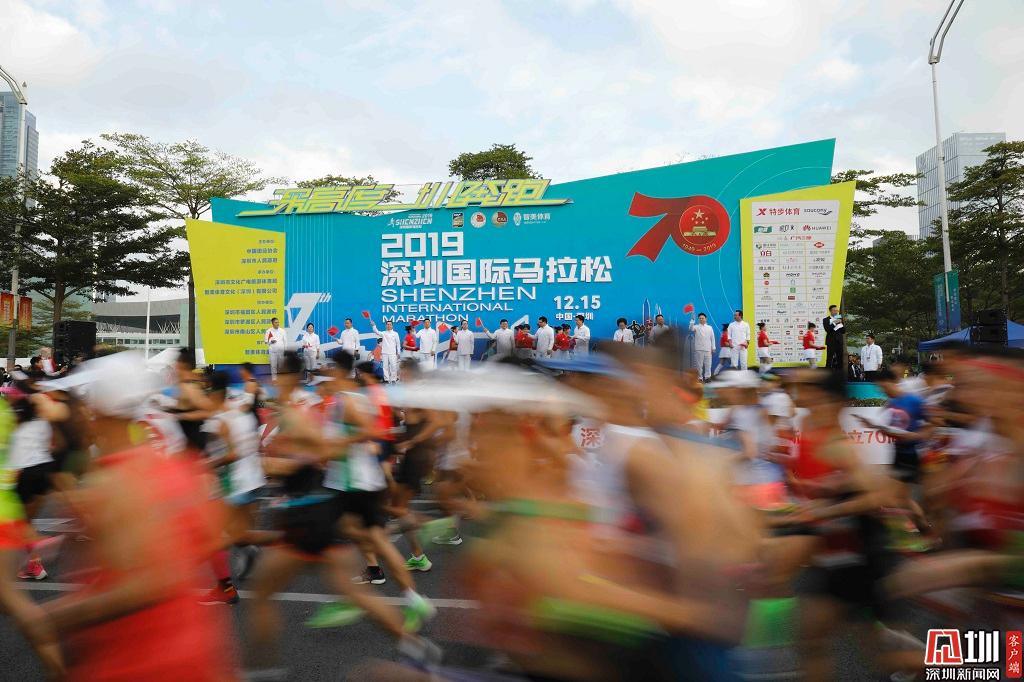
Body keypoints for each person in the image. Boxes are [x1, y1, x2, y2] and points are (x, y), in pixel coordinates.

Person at [369, 319, 401, 383]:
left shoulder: (395, 334)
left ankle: (393, 379)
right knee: (385, 367)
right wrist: (374, 325)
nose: (388, 325)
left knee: (393, 366)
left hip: (392, 353)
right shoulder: (383, 333)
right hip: (384, 353)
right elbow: (376, 331)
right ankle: (386, 379)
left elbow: (398, 344)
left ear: (392, 325)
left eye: (390, 324)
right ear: (386, 325)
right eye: (387, 324)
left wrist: (398, 353)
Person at [689, 312, 716, 382]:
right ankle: (700, 378)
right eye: (700, 318)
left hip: (708, 349)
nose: (701, 319)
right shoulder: (696, 327)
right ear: (698, 319)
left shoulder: (710, 327)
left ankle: (707, 377)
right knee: (699, 365)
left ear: (706, 319)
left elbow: (712, 338)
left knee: (708, 364)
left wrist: (713, 347)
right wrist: (692, 321)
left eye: (702, 318)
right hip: (699, 349)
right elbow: (690, 328)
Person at [822, 304, 846, 372]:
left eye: (837, 310)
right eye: (834, 310)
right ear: (830, 311)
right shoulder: (826, 320)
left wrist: (841, 324)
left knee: (840, 359)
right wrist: (835, 323)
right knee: (829, 359)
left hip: (839, 342)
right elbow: (827, 329)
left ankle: (840, 374)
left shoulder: (839, 318)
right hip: (831, 342)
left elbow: (843, 331)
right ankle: (827, 374)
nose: (836, 312)